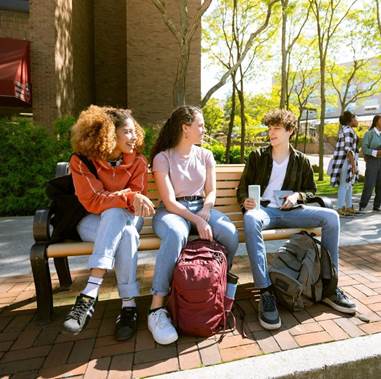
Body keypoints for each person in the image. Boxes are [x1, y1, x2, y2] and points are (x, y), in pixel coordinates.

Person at [237, 109, 356, 331]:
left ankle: (330, 287)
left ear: (290, 131)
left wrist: (296, 196)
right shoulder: (257, 156)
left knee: (331, 217)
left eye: (276, 128)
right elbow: (242, 188)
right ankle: (265, 292)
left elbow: (310, 190)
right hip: (265, 212)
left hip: (292, 211)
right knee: (251, 219)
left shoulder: (301, 160)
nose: (271, 132)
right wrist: (245, 201)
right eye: (269, 128)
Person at [148, 105, 239, 345]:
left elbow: (211, 192)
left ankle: (216, 284)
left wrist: (206, 210)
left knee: (229, 233)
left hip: (202, 207)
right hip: (172, 211)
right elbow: (168, 200)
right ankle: (157, 307)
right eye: (200, 125)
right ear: (185, 128)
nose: (204, 129)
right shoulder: (163, 158)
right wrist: (196, 220)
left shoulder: (206, 155)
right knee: (177, 234)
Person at [63, 105, 155, 341]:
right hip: (91, 222)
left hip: (128, 219)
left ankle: (90, 291)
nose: (134, 137)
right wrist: (126, 196)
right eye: (128, 132)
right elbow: (93, 201)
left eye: (135, 131)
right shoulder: (82, 161)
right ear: (109, 134)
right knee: (125, 232)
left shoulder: (138, 163)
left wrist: (124, 199)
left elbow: (136, 204)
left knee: (117, 217)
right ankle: (129, 305)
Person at [330, 111, 359, 217]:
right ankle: (339, 207)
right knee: (344, 185)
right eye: (355, 118)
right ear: (350, 120)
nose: (357, 120)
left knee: (348, 184)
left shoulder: (348, 130)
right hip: (344, 162)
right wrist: (353, 165)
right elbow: (348, 149)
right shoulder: (348, 130)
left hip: (346, 161)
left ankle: (349, 207)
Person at [359, 114, 381, 212]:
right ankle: (362, 206)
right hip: (372, 161)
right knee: (369, 184)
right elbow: (364, 148)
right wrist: (376, 152)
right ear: (376, 121)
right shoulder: (369, 133)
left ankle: (377, 205)